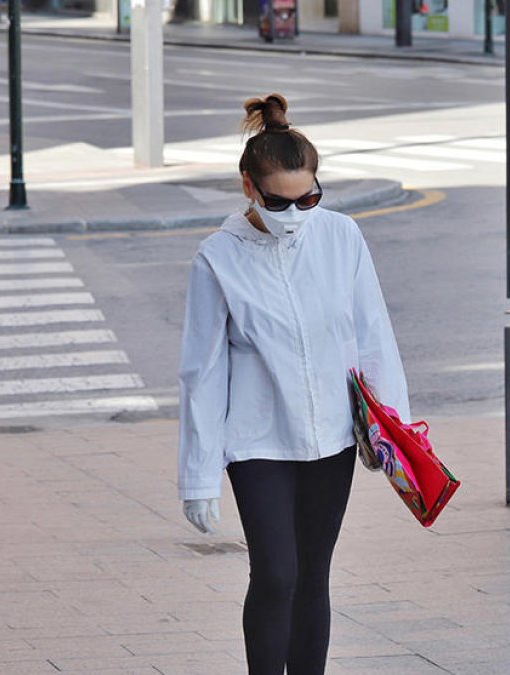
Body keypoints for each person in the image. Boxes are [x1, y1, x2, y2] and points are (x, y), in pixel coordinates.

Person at [176, 93, 410, 675]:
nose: (298, 213)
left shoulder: (341, 236)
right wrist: (199, 474)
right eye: (282, 203)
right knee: (276, 573)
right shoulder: (217, 258)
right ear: (249, 188)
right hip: (257, 441)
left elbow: (373, 333)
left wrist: (396, 434)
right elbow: (201, 373)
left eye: (310, 197)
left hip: (331, 436)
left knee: (313, 575)